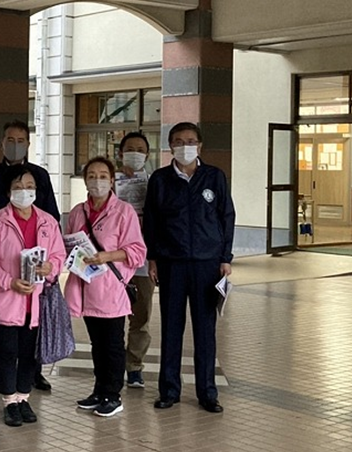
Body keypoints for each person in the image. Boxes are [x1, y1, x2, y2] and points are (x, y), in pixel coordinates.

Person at [143, 122, 235, 414]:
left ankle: (207, 392)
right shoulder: (160, 179)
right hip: (171, 263)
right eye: (179, 141)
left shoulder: (214, 177)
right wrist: (153, 257)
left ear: (200, 145)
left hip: (207, 263)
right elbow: (152, 221)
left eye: (191, 141)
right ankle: (169, 390)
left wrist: (225, 258)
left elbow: (226, 216)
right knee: (171, 328)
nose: (186, 146)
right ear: (171, 146)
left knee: (205, 330)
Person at [0, 120, 60, 392]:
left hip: (34, 276)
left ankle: (32, 376)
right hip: (1, 266)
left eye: (20, 140)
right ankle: (1, 377)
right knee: (1, 330)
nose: (15, 145)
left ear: (28, 144)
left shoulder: (40, 175)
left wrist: (50, 264)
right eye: (10, 140)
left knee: (30, 331)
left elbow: (52, 218)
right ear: (2, 143)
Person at [0, 165, 65, 427]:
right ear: (8, 192)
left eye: (29, 187)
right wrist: (10, 282)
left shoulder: (48, 221)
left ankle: (23, 398)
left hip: (35, 303)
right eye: (18, 187)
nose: (24, 192)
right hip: (7, 301)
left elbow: (58, 255)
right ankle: (9, 401)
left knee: (29, 354)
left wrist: (50, 268)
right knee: (7, 353)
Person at [65, 156, 146, 417]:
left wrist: (106, 256)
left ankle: (113, 394)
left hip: (111, 289)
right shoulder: (78, 212)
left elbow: (137, 251)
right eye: (91, 176)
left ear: (112, 181)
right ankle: (99, 390)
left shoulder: (124, 211)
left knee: (112, 345)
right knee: (97, 344)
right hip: (86, 286)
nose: (97, 181)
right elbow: (70, 243)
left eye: (102, 176)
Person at [114, 132, 156, 388]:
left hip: (143, 263)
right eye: (130, 148)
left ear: (147, 155)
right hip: (114, 262)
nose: (135, 153)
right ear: (120, 153)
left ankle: (134, 366)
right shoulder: (110, 181)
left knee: (140, 317)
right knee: (112, 316)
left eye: (140, 149)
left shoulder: (155, 183)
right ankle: (113, 364)